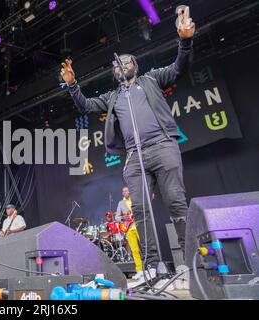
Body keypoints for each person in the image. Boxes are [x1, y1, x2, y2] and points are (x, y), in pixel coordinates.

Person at [61, 8, 195, 284]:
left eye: (124, 62)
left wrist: (185, 41)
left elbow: (179, 67)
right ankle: (151, 266)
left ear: (134, 64)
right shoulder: (112, 97)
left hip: (162, 146)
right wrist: (73, 85)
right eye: (116, 64)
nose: (119, 66)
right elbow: (85, 105)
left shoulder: (151, 80)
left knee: (176, 203)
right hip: (135, 156)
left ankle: (190, 263)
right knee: (140, 212)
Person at [115, 186, 142, 280]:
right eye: (123, 191)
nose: (125, 192)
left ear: (129, 192)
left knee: (145, 247)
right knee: (134, 250)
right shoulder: (121, 203)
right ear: (122, 193)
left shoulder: (135, 199)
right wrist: (123, 218)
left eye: (127, 190)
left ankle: (150, 267)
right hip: (129, 229)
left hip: (139, 226)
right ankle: (139, 270)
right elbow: (116, 217)